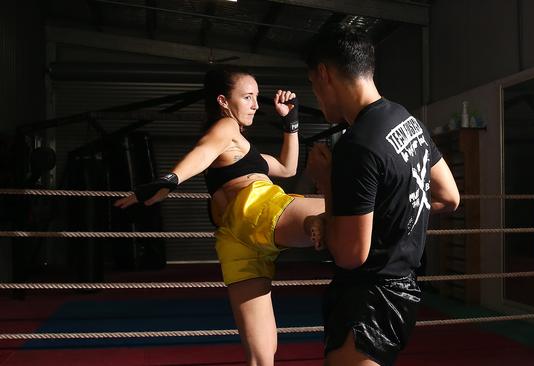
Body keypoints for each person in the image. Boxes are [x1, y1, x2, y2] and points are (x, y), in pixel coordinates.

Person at [114, 65, 324, 366]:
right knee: (344, 207)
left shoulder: (242, 149)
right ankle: (312, 222)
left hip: (236, 241)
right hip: (257, 209)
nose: (255, 104)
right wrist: (170, 180)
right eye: (248, 97)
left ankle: (311, 222)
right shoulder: (225, 129)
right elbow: (203, 151)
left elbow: (287, 168)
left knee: (262, 356)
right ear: (224, 101)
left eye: (256, 97)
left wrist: (290, 122)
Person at [304, 26, 460, 366]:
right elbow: (449, 196)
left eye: (313, 87)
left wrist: (327, 183)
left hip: (366, 303)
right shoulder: (406, 120)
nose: (316, 96)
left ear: (323, 74)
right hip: (402, 293)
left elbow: (349, 255)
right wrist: (381, 214)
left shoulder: (357, 145)